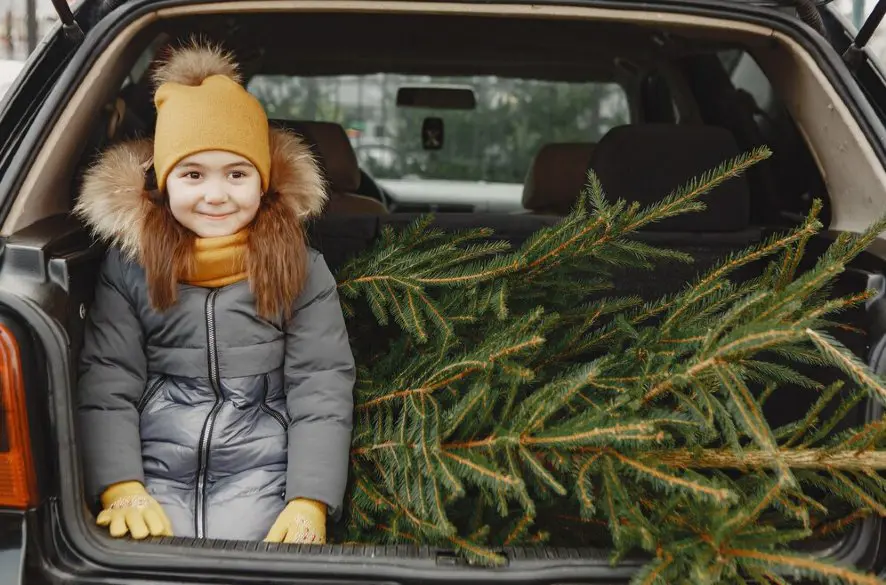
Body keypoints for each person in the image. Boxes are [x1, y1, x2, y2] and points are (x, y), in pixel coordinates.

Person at [73, 42, 355, 544]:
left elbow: (320, 386)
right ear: (164, 183)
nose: (216, 195)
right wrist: (121, 485)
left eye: (237, 174)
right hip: (153, 468)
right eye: (193, 174)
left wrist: (308, 500)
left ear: (263, 182)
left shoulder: (300, 266)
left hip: (264, 469)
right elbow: (108, 380)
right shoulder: (131, 266)